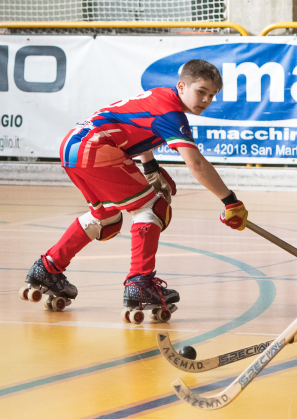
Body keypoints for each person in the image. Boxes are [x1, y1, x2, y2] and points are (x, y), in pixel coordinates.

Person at [21, 59, 248, 318]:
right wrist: (230, 201)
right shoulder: (172, 114)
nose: (206, 100)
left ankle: (48, 268)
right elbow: (195, 163)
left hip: (73, 147)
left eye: (212, 96)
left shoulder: (160, 96)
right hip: (96, 149)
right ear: (182, 86)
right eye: (201, 92)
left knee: (105, 218)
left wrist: (150, 167)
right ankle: (140, 284)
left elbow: (135, 127)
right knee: (154, 207)